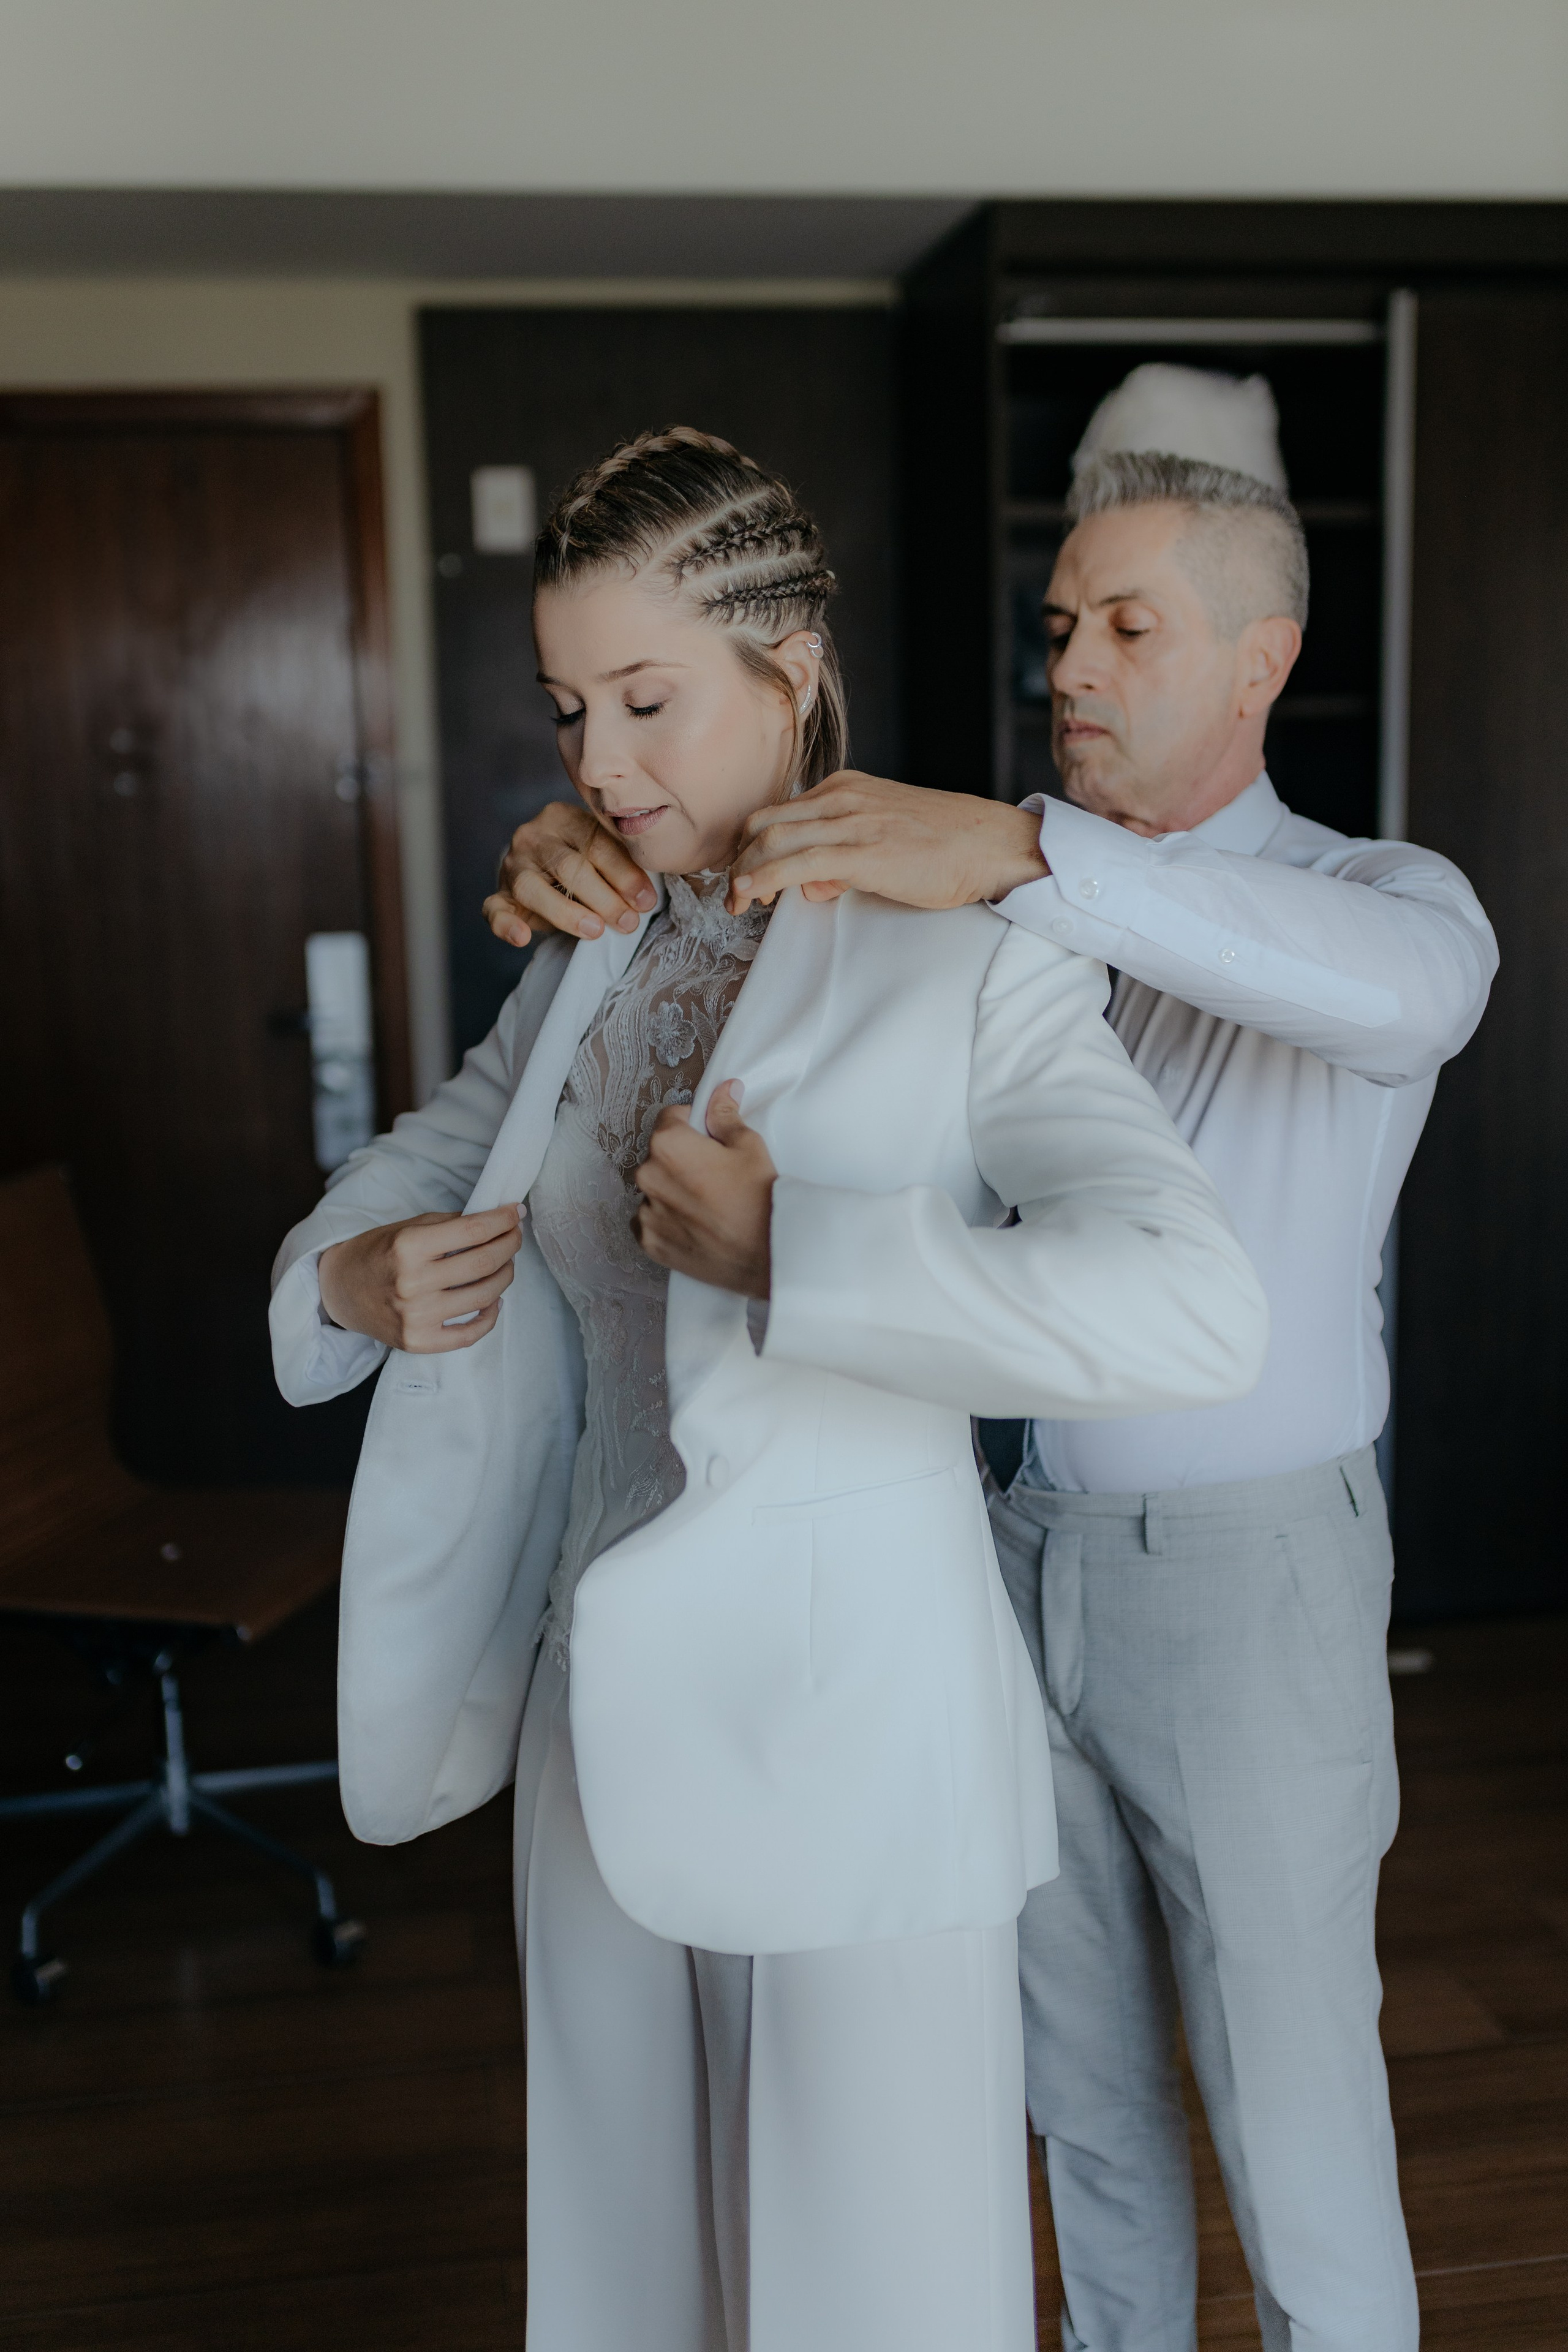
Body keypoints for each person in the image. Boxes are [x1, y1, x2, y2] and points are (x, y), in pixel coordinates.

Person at [486, 447, 1499, 2352]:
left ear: (1263, 661)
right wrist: (602, 860)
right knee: (1079, 2099)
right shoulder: (961, 874)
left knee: (1293, 2102)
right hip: (986, 1549)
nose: (1076, 668)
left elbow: (1409, 1002)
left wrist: (1029, 856)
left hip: (1240, 1573)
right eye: (1059, 628)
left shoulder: (1372, 897)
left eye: (1132, 627)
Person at [271, 429, 1269, 2352]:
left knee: (871, 2286)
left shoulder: (972, 963)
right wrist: (350, 1274)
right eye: (569, 709)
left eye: (648, 702)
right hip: (594, 1711)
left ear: (792, 665)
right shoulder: (583, 953)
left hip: (854, 1725)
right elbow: (429, 1158)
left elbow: (1190, 1307)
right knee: (631, 2273)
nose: (598, 763)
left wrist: (799, 1257)